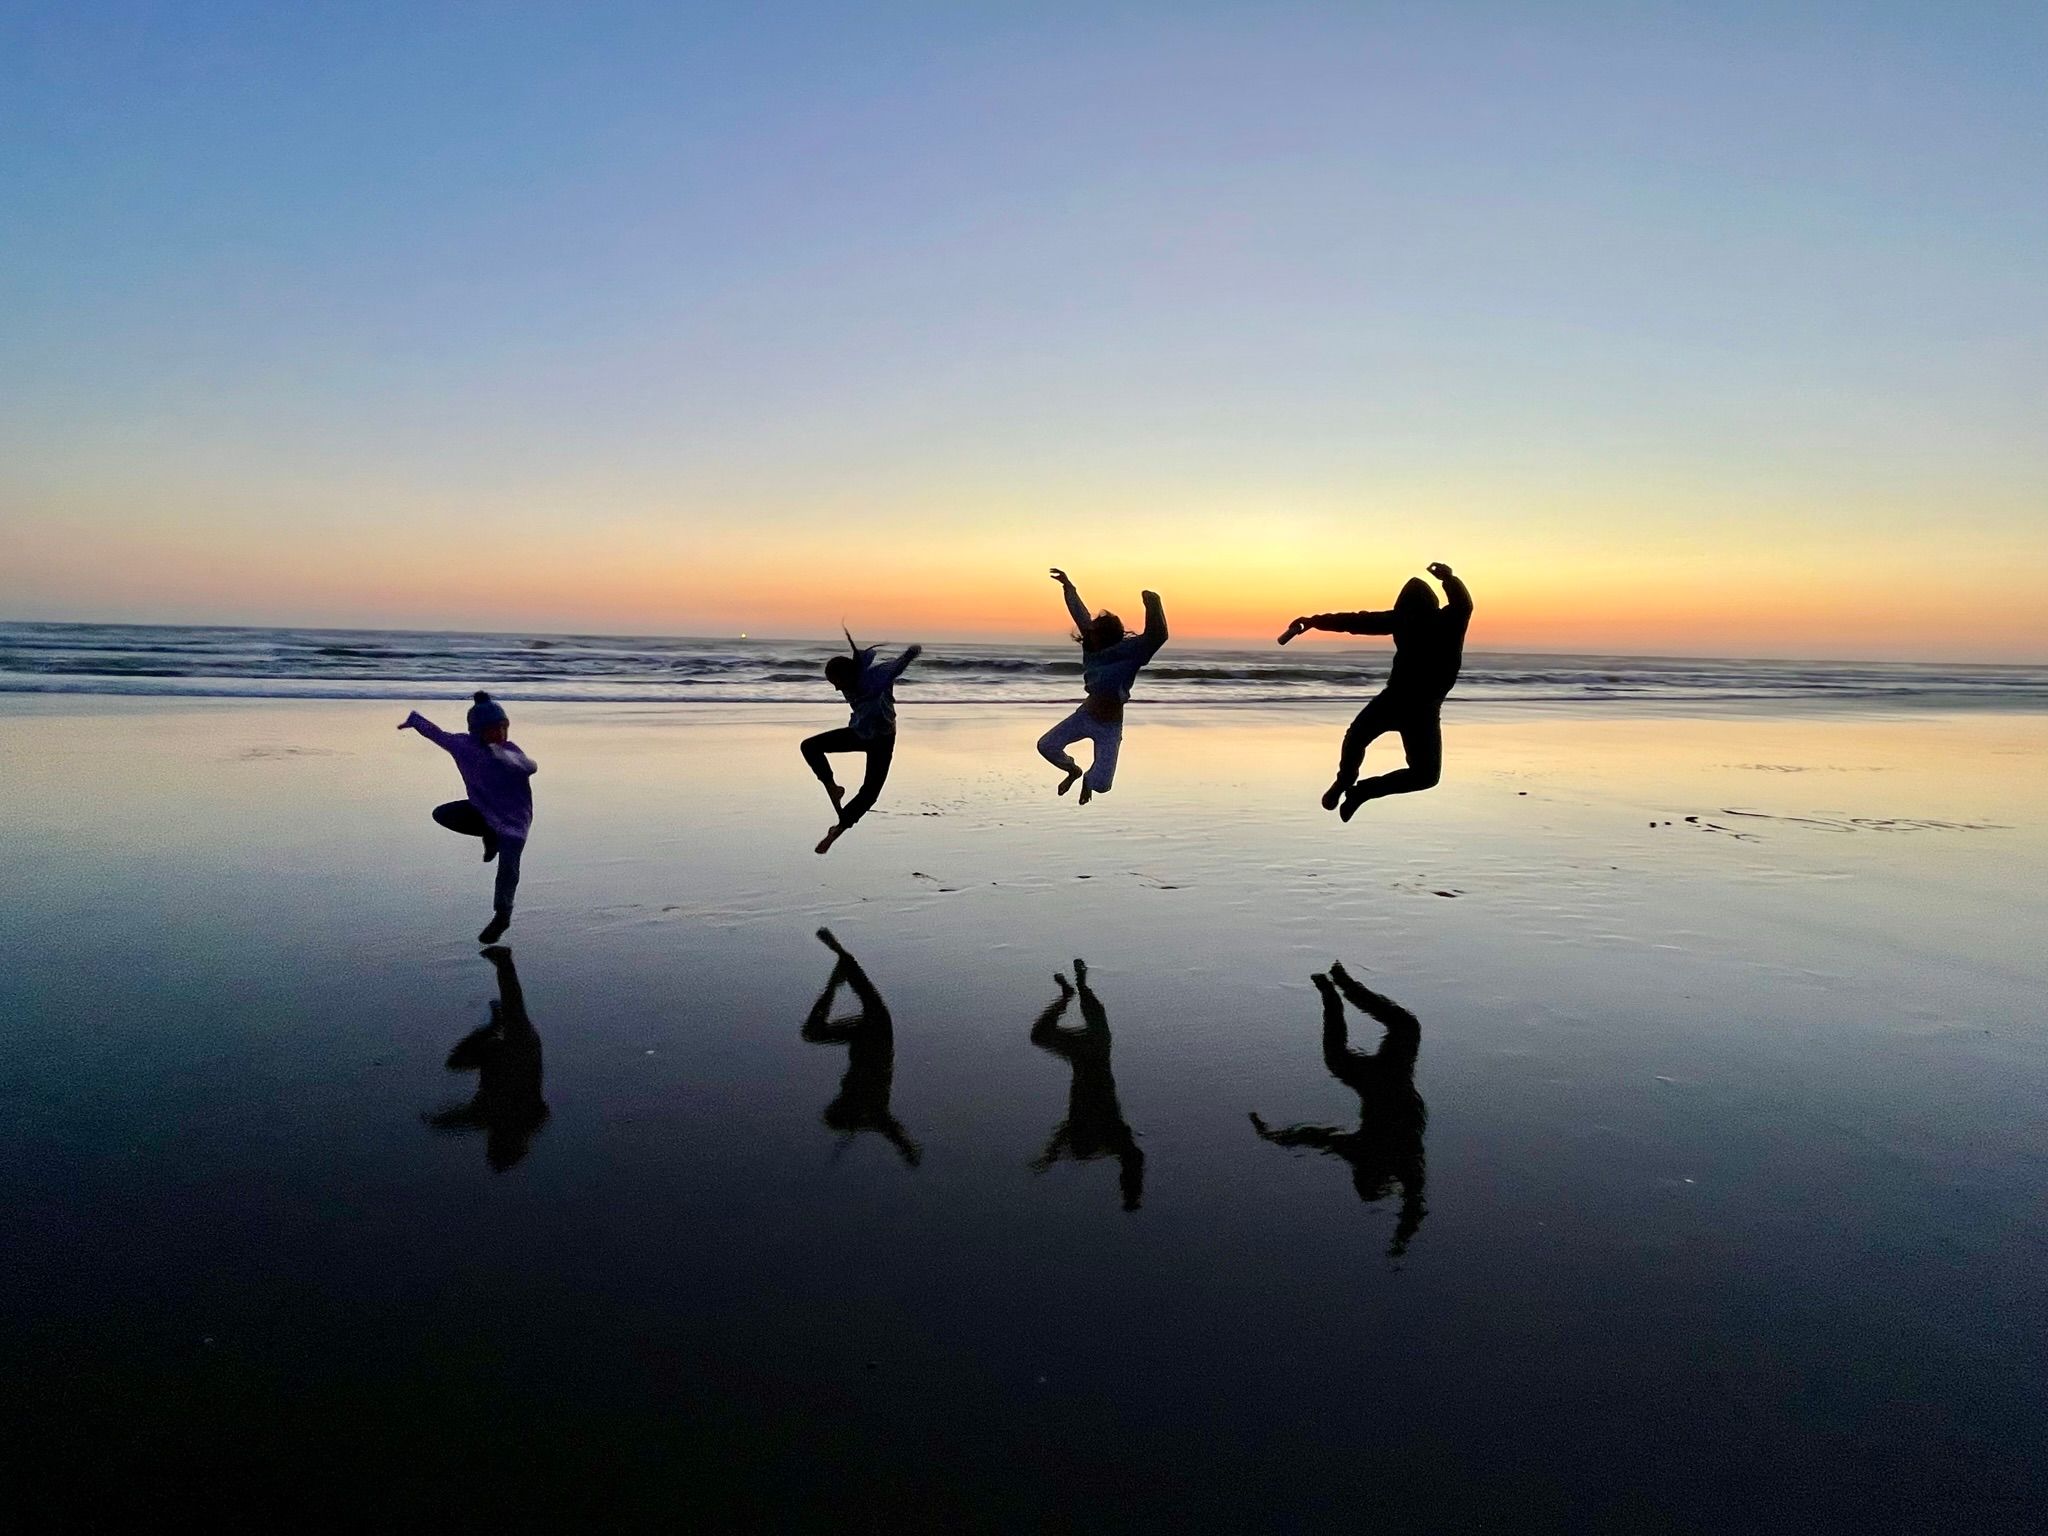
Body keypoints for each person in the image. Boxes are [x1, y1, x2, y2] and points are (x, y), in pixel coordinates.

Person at [1249, 962, 1427, 1257]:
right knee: (1400, 1028)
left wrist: (1276, 1136)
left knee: (1395, 1030)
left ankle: (1335, 990)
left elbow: (1313, 1136)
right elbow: (1413, 1206)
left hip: (1381, 1080)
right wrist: (1401, 1239)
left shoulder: (1373, 1155)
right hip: (1391, 1077)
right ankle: (1338, 987)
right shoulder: (1400, 1159)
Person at [1278, 562, 1471, 821]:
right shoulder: (1424, 620)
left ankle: (1356, 789)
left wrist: (1449, 578)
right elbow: (1354, 621)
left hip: (1413, 706)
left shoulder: (1426, 620)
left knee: (1376, 748)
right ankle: (1351, 786)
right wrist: (1314, 622)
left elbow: (1355, 621)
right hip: (1407, 702)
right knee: (1374, 748)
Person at [398, 690, 537, 943]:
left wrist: (504, 755)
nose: (500, 735)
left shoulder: (510, 750)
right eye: (493, 730)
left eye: (504, 728)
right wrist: (415, 720)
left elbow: (529, 766)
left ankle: (502, 916)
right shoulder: (465, 746)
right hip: (485, 811)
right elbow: (439, 736)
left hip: (514, 821)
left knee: (508, 871)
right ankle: (489, 833)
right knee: (442, 814)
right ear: (477, 731)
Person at [1037, 568, 1168, 804]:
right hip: (1085, 715)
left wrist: (1153, 602)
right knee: (1046, 746)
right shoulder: (1091, 646)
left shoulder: (1131, 652)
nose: (1088, 634)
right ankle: (1073, 771)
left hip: (1110, 726)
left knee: (1102, 785)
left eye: (1095, 632)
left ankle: (1088, 779)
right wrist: (1068, 586)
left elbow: (1157, 635)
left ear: (1107, 635)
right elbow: (1081, 615)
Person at [1028, 959, 1145, 1211]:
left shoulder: (1080, 1126)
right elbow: (1133, 1158)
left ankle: (1071, 993)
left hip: (1083, 1055)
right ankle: (1078, 988)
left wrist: (1050, 1155)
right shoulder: (1109, 1130)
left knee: (1042, 1034)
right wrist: (1132, 1193)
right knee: (1094, 1021)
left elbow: (1063, 1135)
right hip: (1095, 1053)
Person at [801, 928, 921, 1166]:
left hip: (864, 1034)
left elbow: (893, 1132)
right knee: (864, 996)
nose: (837, 1098)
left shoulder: (868, 1112)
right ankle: (843, 962)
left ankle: (838, 975)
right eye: (837, 1104)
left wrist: (906, 1148)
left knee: (812, 1032)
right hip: (878, 1031)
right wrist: (907, 1148)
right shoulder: (874, 1112)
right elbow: (894, 1132)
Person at [423, 945, 549, 1172]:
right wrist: (442, 1122)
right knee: (515, 1016)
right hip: (518, 1053)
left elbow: (463, 1119)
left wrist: (441, 1122)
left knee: (457, 1061)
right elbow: (465, 1119)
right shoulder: (527, 1118)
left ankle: (494, 1022)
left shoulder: (496, 1119)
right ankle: (503, 964)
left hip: (502, 1055)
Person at [802, 629, 922, 855]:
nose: (837, 689)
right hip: (859, 733)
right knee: (809, 746)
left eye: (836, 682)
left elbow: (898, 665)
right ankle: (832, 786)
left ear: (847, 675)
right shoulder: (848, 683)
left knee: (870, 792)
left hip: (883, 740)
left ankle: (839, 828)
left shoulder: (878, 678)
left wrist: (912, 651)